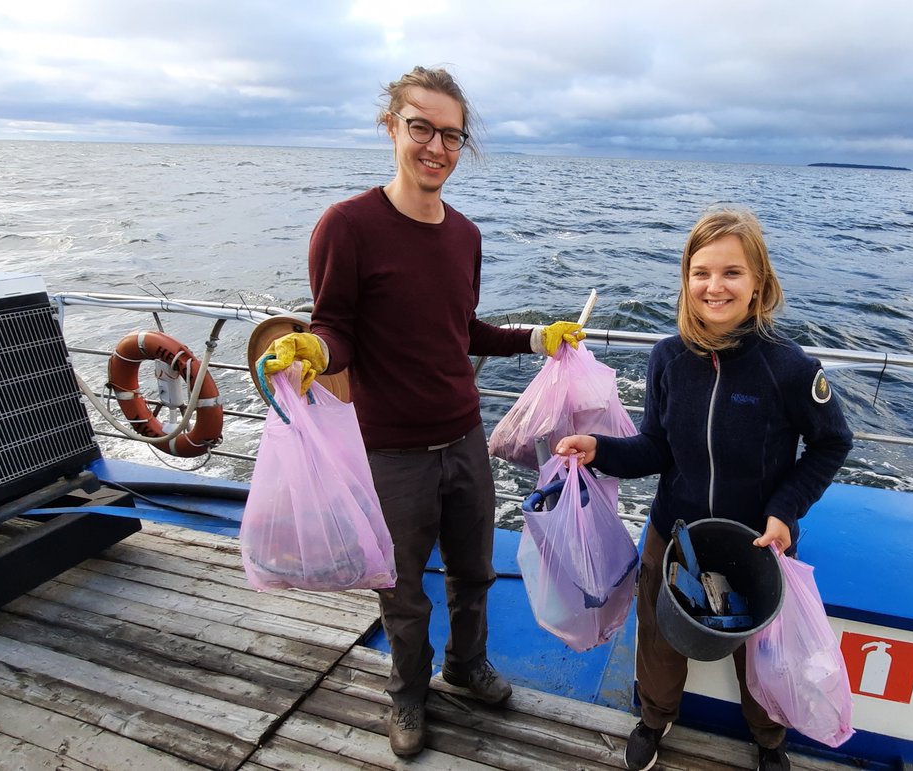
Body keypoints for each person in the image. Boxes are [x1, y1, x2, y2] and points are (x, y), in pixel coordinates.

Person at [261, 65, 584, 758]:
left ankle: (466, 667)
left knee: (474, 573)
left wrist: (537, 337)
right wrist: (312, 349)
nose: (436, 146)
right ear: (392, 127)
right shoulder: (346, 225)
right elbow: (337, 327)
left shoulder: (465, 235)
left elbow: (462, 330)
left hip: (464, 438)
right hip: (391, 453)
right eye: (421, 128)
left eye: (451, 135)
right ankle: (408, 694)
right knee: (403, 590)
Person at [555, 207, 853, 771]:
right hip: (675, 536)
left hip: (759, 543)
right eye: (701, 272)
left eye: (732, 273)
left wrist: (785, 512)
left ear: (758, 282)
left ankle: (769, 741)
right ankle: (653, 719)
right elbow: (655, 448)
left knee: (763, 658)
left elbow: (832, 443)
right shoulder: (667, 358)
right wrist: (601, 448)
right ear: (686, 279)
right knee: (660, 644)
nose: (715, 287)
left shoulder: (789, 368)